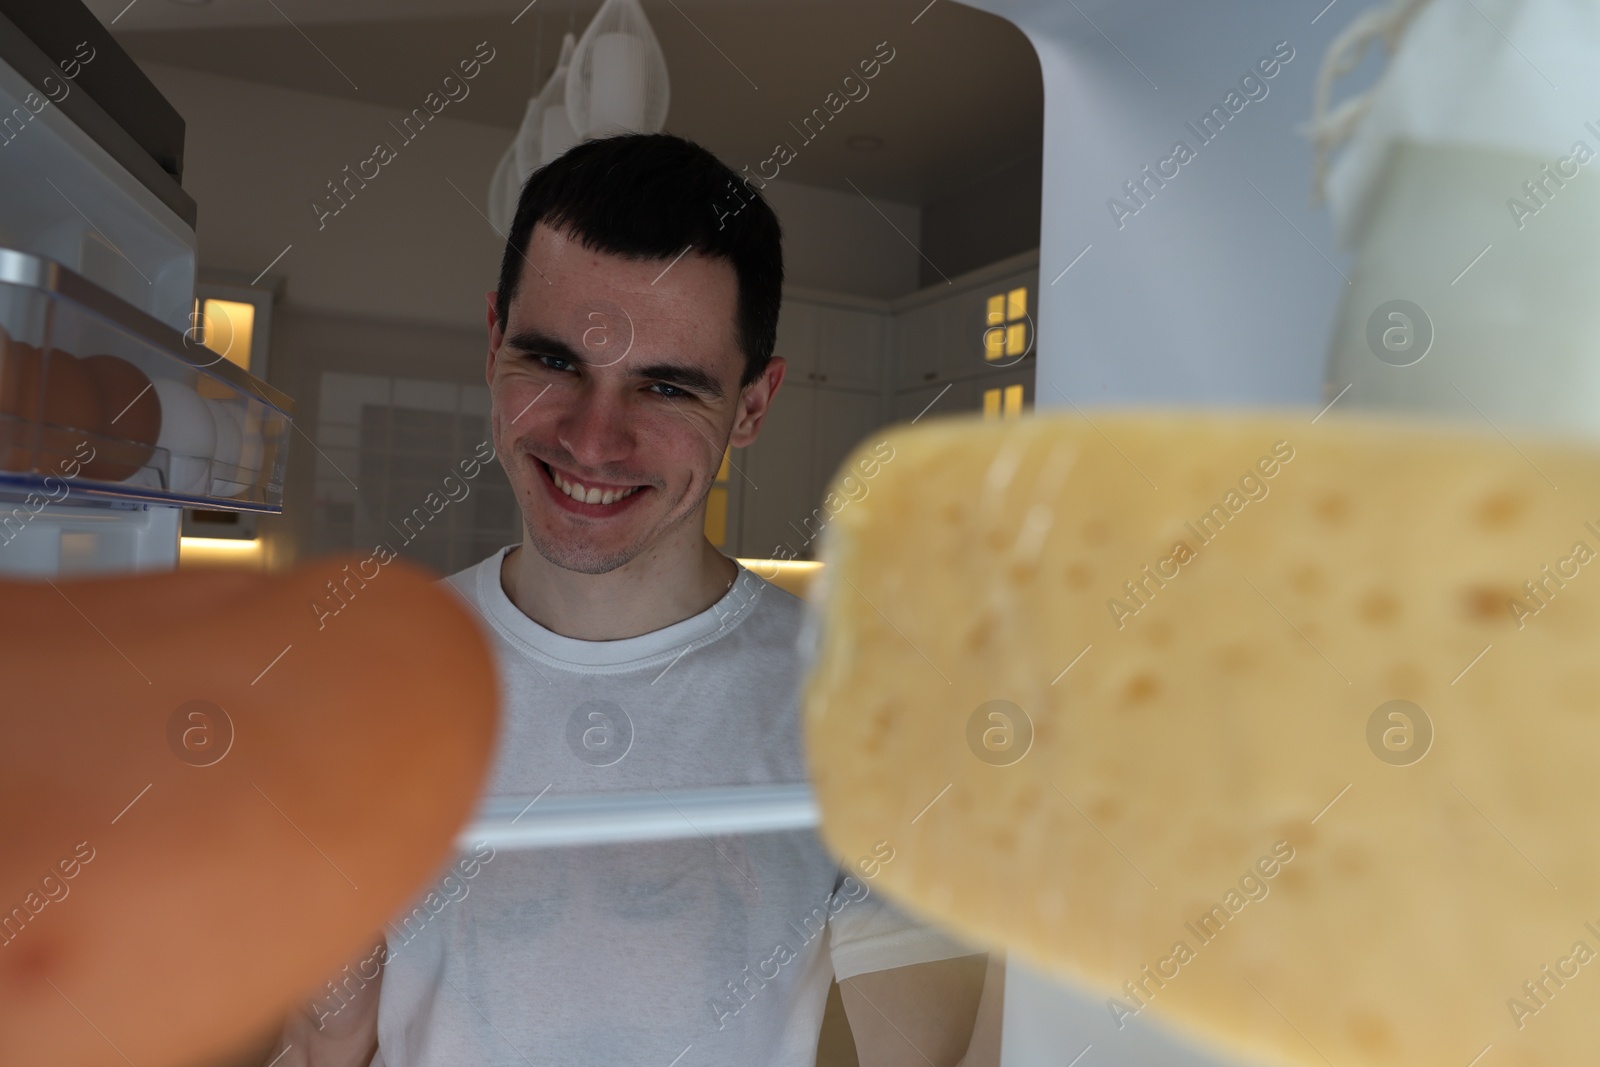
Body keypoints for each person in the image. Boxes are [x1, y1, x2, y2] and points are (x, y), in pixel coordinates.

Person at [268, 132, 1000, 1067]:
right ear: (494, 345)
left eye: (665, 386)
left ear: (751, 407)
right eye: (555, 362)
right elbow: (322, 1046)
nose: (594, 439)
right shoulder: (358, 678)